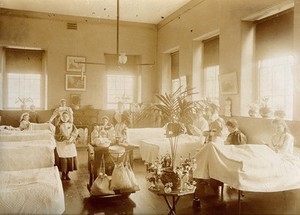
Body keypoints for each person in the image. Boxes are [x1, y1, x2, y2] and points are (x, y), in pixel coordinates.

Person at [55, 111, 79, 180]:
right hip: (62, 144)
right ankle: (63, 173)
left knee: (69, 158)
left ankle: (67, 174)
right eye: (63, 117)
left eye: (66, 116)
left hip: (70, 143)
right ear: (61, 117)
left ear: (68, 117)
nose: (65, 118)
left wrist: (71, 139)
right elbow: (57, 135)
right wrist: (65, 138)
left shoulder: (72, 125)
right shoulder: (58, 125)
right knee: (63, 159)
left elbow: (75, 132)